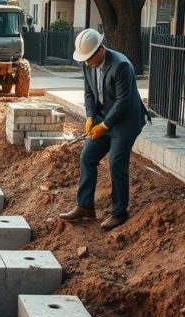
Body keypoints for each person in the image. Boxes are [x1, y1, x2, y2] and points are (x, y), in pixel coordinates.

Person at [60, 29, 150, 231]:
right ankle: (85, 206)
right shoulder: (88, 65)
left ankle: (119, 213)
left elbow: (123, 102)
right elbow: (89, 92)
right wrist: (91, 116)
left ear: (100, 49)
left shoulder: (122, 66)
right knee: (87, 157)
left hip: (125, 122)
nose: (86, 62)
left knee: (116, 163)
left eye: (89, 57)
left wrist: (104, 126)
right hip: (103, 117)